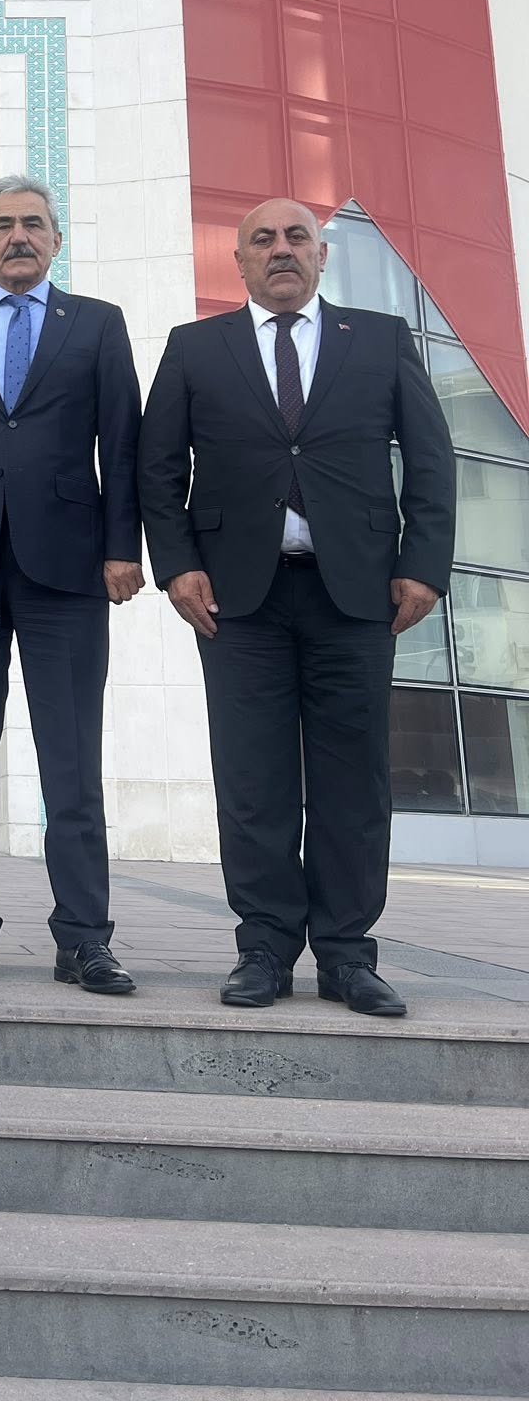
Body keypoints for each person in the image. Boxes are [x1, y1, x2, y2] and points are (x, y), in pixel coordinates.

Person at [138, 199, 456, 1017]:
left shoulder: (380, 340)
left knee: (355, 780)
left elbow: (431, 458)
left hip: (356, 595)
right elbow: (157, 469)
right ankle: (265, 949)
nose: (281, 250)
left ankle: (347, 956)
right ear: (239, 262)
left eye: (296, 238)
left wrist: (423, 566)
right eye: (263, 240)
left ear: (322, 255)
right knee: (254, 781)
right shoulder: (194, 348)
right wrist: (176, 567)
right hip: (237, 600)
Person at [0, 176, 143, 993]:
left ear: (56, 240)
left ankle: (83, 938)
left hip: (68, 567)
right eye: (4, 225)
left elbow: (123, 443)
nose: (19, 236)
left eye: (34, 224)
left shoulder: (98, 325)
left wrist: (122, 547)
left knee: (70, 761)